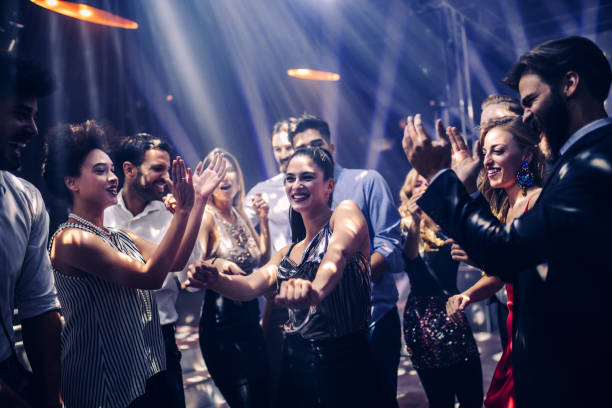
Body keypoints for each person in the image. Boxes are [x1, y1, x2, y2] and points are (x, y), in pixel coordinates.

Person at [401, 36, 612, 407]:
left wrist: (440, 178)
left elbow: (511, 247)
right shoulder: (569, 161)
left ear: (570, 84)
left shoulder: (587, 164)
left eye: (530, 101)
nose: (527, 115)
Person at [43, 120, 226, 407]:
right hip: (98, 376)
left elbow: (176, 261)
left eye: (111, 169)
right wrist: (182, 213)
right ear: (72, 182)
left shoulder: (119, 235)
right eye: (100, 171)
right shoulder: (72, 239)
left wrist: (198, 201)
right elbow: (150, 277)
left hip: (133, 369)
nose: (113, 177)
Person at [184, 147, 374, 407]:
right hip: (298, 367)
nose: (296, 185)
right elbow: (250, 286)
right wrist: (214, 278)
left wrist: (314, 291)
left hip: (348, 364)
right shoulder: (288, 252)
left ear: (329, 185)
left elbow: (336, 254)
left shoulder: (345, 212)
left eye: (306, 177)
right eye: (290, 178)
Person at [289, 114, 404, 407]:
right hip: (326, 332)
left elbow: (390, 245)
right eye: (303, 148)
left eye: (318, 144)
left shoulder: (365, 181)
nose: (313, 152)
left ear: (332, 146)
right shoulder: (300, 195)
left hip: (374, 320)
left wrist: (346, 282)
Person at [447, 116, 544, 407]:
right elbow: (502, 273)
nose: (487, 160)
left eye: (498, 151)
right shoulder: (511, 206)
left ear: (526, 155)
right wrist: (467, 295)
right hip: (518, 332)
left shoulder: (536, 201)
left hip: (538, 330)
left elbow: (522, 270)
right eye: (485, 152)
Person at [104, 133, 202, 408]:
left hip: (160, 339)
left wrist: (183, 216)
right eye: (157, 168)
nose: (166, 177)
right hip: (112, 340)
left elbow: (190, 280)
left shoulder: (170, 215)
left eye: (168, 169)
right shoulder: (102, 213)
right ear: (128, 169)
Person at [0, 54, 62, 408]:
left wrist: (49, 397)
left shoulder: (26, 199)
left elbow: (39, 308)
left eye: (35, 117)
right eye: (21, 114)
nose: (33, 129)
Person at [399, 169, 483, 408]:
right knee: (440, 401)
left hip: (452, 310)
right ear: (409, 192)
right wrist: (415, 221)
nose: (424, 187)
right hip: (422, 319)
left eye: (429, 182)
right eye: (418, 184)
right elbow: (410, 259)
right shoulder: (406, 225)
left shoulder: (449, 221)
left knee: (472, 396)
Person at [196, 148, 272, 407]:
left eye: (230, 170)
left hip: (250, 320)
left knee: (264, 397)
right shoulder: (207, 217)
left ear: (239, 178)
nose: (225, 177)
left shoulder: (240, 213)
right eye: (217, 172)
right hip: (222, 326)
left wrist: (264, 221)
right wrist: (218, 262)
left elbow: (260, 258)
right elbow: (192, 264)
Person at [451, 94, 524, 351]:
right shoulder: (495, 185)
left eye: (496, 123)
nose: (485, 134)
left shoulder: (535, 185)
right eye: (482, 127)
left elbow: (515, 255)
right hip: (508, 307)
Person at [243, 119, 294, 403]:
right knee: (275, 362)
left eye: (288, 146)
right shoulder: (262, 191)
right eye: (277, 148)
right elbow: (242, 237)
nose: (283, 153)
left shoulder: (318, 183)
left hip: (318, 284)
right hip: (277, 287)